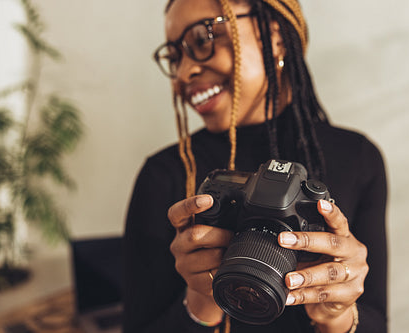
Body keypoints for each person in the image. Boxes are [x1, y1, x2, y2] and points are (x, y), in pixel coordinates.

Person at [123, 0, 387, 332]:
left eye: (202, 41)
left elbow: (378, 320)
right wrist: (201, 299)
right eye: (174, 58)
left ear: (275, 37)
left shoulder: (358, 157)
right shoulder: (166, 173)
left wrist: (336, 315)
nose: (184, 72)